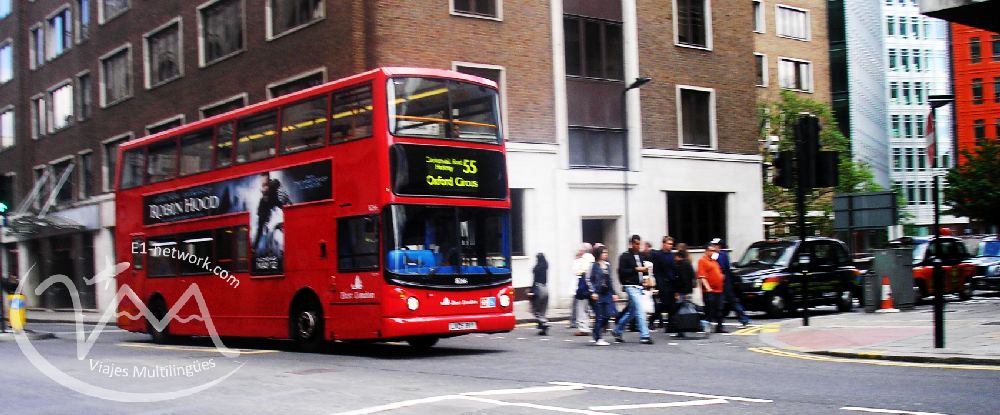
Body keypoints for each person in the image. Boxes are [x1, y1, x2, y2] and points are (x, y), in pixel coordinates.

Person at [612, 235, 653, 344]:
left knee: (632, 311)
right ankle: (645, 335)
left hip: (639, 286)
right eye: (636, 243)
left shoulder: (641, 256)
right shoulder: (624, 256)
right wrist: (636, 269)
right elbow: (622, 271)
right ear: (631, 244)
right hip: (630, 286)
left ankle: (617, 330)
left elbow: (644, 271)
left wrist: (646, 280)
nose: (638, 246)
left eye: (639, 243)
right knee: (640, 309)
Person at [713, 238, 751, 327]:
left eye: (715, 245)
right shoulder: (724, 254)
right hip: (727, 283)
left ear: (719, 246)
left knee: (720, 303)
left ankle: (719, 323)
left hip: (723, 283)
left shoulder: (719, 255)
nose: (713, 247)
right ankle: (744, 319)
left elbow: (721, 269)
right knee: (733, 302)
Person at [588, 246, 616, 346]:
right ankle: (598, 337)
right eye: (604, 252)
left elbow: (610, 280)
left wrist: (613, 293)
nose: (605, 254)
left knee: (608, 314)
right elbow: (588, 280)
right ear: (598, 254)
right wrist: (593, 292)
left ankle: (596, 332)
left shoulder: (607, 265)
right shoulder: (593, 266)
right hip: (598, 294)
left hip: (607, 293)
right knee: (599, 316)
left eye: (606, 252)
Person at [697, 241, 727, 334]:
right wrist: (708, 288)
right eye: (711, 250)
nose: (713, 252)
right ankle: (706, 326)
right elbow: (702, 276)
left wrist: (721, 276)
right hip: (710, 290)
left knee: (720, 309)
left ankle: (719, 327)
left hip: (719, 289)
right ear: (706, 251)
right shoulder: (702, 261)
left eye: (714, 251)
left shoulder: (714, 261)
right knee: (710, 309)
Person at [648, 236, 676, 330]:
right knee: (664, 304)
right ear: (663, 244)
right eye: (668, 244)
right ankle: (652, 319)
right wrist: (658, 283)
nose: (670, 246)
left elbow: (673, 268)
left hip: (671, 282)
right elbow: (655, 270)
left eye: (671, 244)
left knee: (671, 304)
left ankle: (670, 325)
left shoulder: (672, 255)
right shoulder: (658, 255)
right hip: (662, 282)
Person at [670, 243, 696, 337]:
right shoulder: (688, 263)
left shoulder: (681, 265)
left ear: (678, 256)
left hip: (683, 292)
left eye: (675, 256)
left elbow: (682, 279)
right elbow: (693, 276)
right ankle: (684, 328)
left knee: (680, 310)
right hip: (687, 291)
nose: (674, 258)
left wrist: (680, 292)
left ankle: (681, 329)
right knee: (687, 309)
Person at [570, 243, 595, 336]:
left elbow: (577, 272)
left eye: (580, 250)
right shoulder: (593, 259)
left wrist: (576, 260)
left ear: (583, 251)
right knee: (587, 308)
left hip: (582, 287)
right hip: (591, 287)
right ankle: (589, 326)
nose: (579, 251)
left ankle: (583, 329)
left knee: (581, 309)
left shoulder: (582, 260)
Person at [530, 252, 549, 335]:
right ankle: (543, 327)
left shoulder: (537, 268)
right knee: (543, 310)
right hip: (546, 289)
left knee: (536, 309)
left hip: (538, 288)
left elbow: (535, 280)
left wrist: (531, 290)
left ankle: (543, 323)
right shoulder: (545, 267)